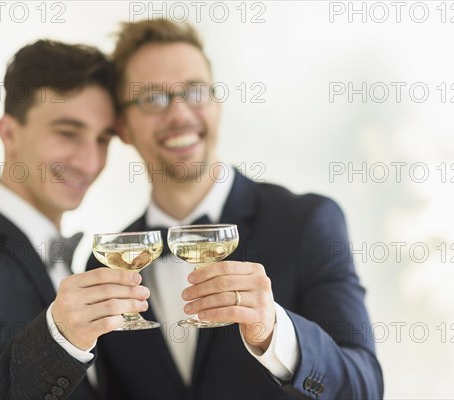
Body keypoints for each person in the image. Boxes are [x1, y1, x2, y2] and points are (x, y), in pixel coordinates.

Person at [86, 20, 384, 399]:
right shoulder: (105, 269)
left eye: (194, 91)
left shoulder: (307, 223)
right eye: (153, 98)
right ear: (123, 128)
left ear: (217, 104)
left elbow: (365, 388)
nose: (179, 114)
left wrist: (275, 332)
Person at [0, 40, 151, 399]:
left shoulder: (84, 263)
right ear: (9, 134)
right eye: (67, 133)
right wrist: (60, 339)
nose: (89, 162)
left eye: (102, 140)